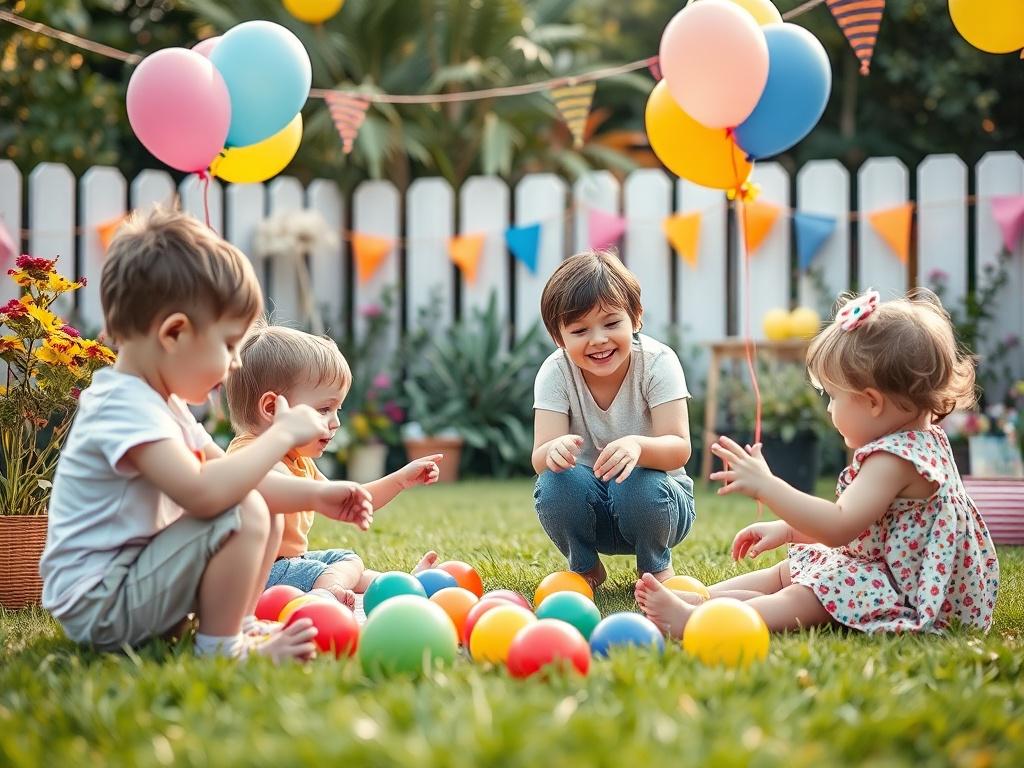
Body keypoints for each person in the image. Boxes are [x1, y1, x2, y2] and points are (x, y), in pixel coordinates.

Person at [39, 208, 372, 662]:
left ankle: (239, 626)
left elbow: (237, 475)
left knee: (258, 504)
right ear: (174, 333)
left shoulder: (165, 407)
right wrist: (279, 436)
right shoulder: (124, 408)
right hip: (101, 606)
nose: (235, 363)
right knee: (244, 509)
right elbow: (203, 494)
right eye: (229, 345)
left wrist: (317, 495)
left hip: (136, 585)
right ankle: (222, 648)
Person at [636, 289, 1000, 637]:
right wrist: (789, 530)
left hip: (908, 594)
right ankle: (703, 600)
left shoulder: (893, 460)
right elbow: (862, 523)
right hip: (892, 572)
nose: (829, 409)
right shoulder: (923, 442)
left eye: (833, 396)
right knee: (790, 571)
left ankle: (694, 619)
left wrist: (768, 486)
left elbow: (840, 525)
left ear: (872, 402)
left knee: (809, 593)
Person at [225, 321, 442, 606]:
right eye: (324, 409)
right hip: (257, 575)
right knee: (334, 569)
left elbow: (350, 499)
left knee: (348, 561)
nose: (336, 422)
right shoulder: (251, 454)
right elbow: (269, 484)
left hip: (289, 563)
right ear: (271, 408)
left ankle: (399, 584)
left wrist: (399, 479)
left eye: (337, 409)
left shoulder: (299, 462)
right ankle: (325, 596)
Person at [531, 249, 696, 590]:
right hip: (592, 507)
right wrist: (553, 451)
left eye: (611, 323)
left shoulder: (658, 362)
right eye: (580, 330)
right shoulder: (555, 372)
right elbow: (539, 457)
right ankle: (586, 566)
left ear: (635, 318)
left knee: (636, 481)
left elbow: (679, 448)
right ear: (558, 338)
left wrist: (638, 446)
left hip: (659, 504)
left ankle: (654, 567)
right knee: (553, 483)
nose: (598, 340)